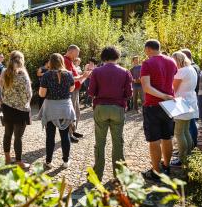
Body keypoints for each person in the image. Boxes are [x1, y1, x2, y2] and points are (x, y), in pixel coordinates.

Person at [88, 46, 133, 180]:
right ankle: (119, 174)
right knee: (118, 142)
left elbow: (91, 92)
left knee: (100, 142)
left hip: (101, 107)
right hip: (117, 107)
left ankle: (97, 174)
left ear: (103, 57)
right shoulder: (125, 72)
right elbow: (129, 93)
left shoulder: (96, 71)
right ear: (117, 56)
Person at [140, 39, 177, 181]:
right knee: (167, 137)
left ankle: (156, 172)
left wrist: (163, 96)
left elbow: (146, 87)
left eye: (145, 50)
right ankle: (166, 167)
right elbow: (171, 82)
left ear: (148, 49)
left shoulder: (147, 63)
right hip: (169, 106)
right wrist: (168, 96)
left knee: (154, 139)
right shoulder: (172, 62)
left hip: (153, 105)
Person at [39, 53, 76, 169]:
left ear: (50, 62)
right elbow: (71, 88)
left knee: (50, 135)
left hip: (51, 108)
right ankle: (65, 161)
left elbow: (42, 94)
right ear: (62, 61)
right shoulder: (69, 74)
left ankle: (48, 162)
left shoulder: (46, 75)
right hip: (65, 107)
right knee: (65, 135)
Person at [1, 51, 32, 170]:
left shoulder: (4, 72)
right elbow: (28, 94)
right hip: (20, 109)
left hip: (7, 107)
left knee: (7, 133)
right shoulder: (22, 73)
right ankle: (19, 162)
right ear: (22, 60)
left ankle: (7, 158)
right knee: (18, 137)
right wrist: (26, 103)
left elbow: (2, 89)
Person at [171, 52, 199, 166]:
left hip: (181, 102)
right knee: (186, 130)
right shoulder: (191, 69)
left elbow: (173, 89)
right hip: (191, 100)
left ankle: (182, 158)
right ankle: (188, 155)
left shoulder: (181, 71)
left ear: (177, 60)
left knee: (178, 132)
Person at [64, 45, 91, 142]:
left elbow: (76, 77)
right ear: (71, 52)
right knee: (71, 113)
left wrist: (84, 76)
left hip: (76, 90)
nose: (77, 56)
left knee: (76, 112)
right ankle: (69, 134)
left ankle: (73, 130)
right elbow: (68, 77)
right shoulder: (65, 61)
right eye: (76, 54)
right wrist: (82, 76)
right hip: (70, 91)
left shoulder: (70, 61)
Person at [181, 48, 201, 147]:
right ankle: (191, 145)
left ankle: (192, 145)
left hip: (189, 97)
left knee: (191, 124)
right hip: (192, 96)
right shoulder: (195, 66)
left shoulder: (191, 68)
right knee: (190, 123)